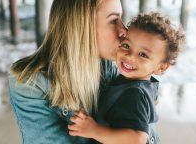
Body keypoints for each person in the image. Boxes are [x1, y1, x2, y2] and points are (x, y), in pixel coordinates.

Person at [8, 0, 127, 144]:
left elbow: (141, 132)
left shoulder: (107, 64)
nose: (124, 30)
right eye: (114, 20)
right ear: (81, 27)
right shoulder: (29, 82)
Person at [68, 12, 186, 144]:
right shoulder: (138, 85)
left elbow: (137, 139)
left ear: (161, 68)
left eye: (143, 54)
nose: (129, 56)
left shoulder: (135, 94)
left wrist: (94, 130)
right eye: (126, 46)